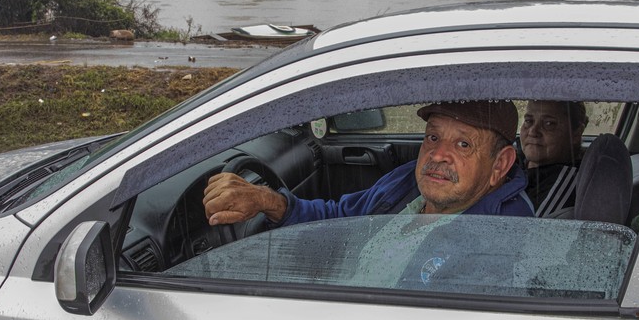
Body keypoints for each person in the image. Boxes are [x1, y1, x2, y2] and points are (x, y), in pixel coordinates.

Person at [204, 100, 534, 228]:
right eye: (433, 137)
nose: (437, 155)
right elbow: (339, 219)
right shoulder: (409, 180)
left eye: (463, 144)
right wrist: (267, 200)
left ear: (500, 165)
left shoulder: (505, 232)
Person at [519, 100, 588, 217]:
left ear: (576, 134)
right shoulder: (512, 160)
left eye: (549, 124)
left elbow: (527, 231)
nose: (532, 131)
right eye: (528, 121)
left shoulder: (565, 182)